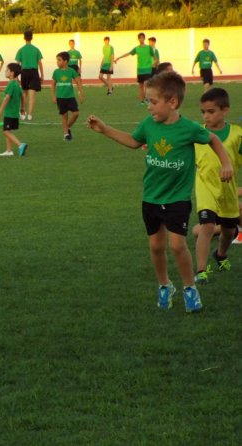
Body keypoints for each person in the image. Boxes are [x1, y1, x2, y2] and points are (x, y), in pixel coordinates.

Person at [86, 72, 233, 313]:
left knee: (176, 245)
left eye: (152, 102)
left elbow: (214, 140)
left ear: (172, 102)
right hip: (151, 196)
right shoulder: (148, 125)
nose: (148, 107)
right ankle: (165, 285)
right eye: (147, 101)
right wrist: (105, 129)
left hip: (177, 198)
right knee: (156, 246)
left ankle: (189, 288)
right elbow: (134, 142)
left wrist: (225, 163)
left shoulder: (189, 129)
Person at [193, 88, 242, 284]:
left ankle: (221, 254)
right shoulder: (197, 132)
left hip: (228, 189)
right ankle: (201, 270)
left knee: (229, 230)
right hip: (205, 186)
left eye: (211, 111)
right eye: (203, 112)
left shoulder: (237, 134)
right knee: (207, 225)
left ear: (225, 110)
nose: (206, 116)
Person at [0, 63, 28, 157]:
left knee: (6, 131)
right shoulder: (17, 84)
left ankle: (20, 145)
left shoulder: (11, 84)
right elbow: (23, 96)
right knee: (8, 131)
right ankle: (9, 151)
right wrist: (22, 108)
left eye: (7, 70)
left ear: (12, 73)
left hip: (9, 113)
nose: (5, 71)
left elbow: (7, 98)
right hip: (15, 113)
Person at [115, 32, 157, 104]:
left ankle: (147, 98)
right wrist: (118, 58)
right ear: (138, 39)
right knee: (141, 86)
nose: (141, 39)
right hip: (140, 70)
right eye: (140, 38)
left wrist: (153, 64)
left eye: (142, 38)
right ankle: (142, 101)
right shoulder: (137, 48)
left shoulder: (148, 48)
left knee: (146, 83)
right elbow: (128, 53)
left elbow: (155, 58)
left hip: (147, 69)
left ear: (144, 38)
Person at [51, 52, 84, 141]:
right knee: (64, 116)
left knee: (76, 113)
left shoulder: (71, 71)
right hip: (60, 98)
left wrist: (80, 94)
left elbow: (78, 82)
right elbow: (53, 84)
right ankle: (66, 134)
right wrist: (53, 95)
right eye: (57, 60)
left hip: (70, 97)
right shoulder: (56, 72)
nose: (57, 62)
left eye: (59, 60)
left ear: (65, 61)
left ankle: (68, 127)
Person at [15, 30, 43, 121]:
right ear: (32, 38)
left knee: (24, 94)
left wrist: (16, 76)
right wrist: (42, 75)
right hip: (34, 72)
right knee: (32, 95)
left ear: (24, 38)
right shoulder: (36, 49)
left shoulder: (21, 50)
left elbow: (17, 64)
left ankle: (23, 113)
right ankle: (30, 115)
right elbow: (39, 63)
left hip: (24, 73)